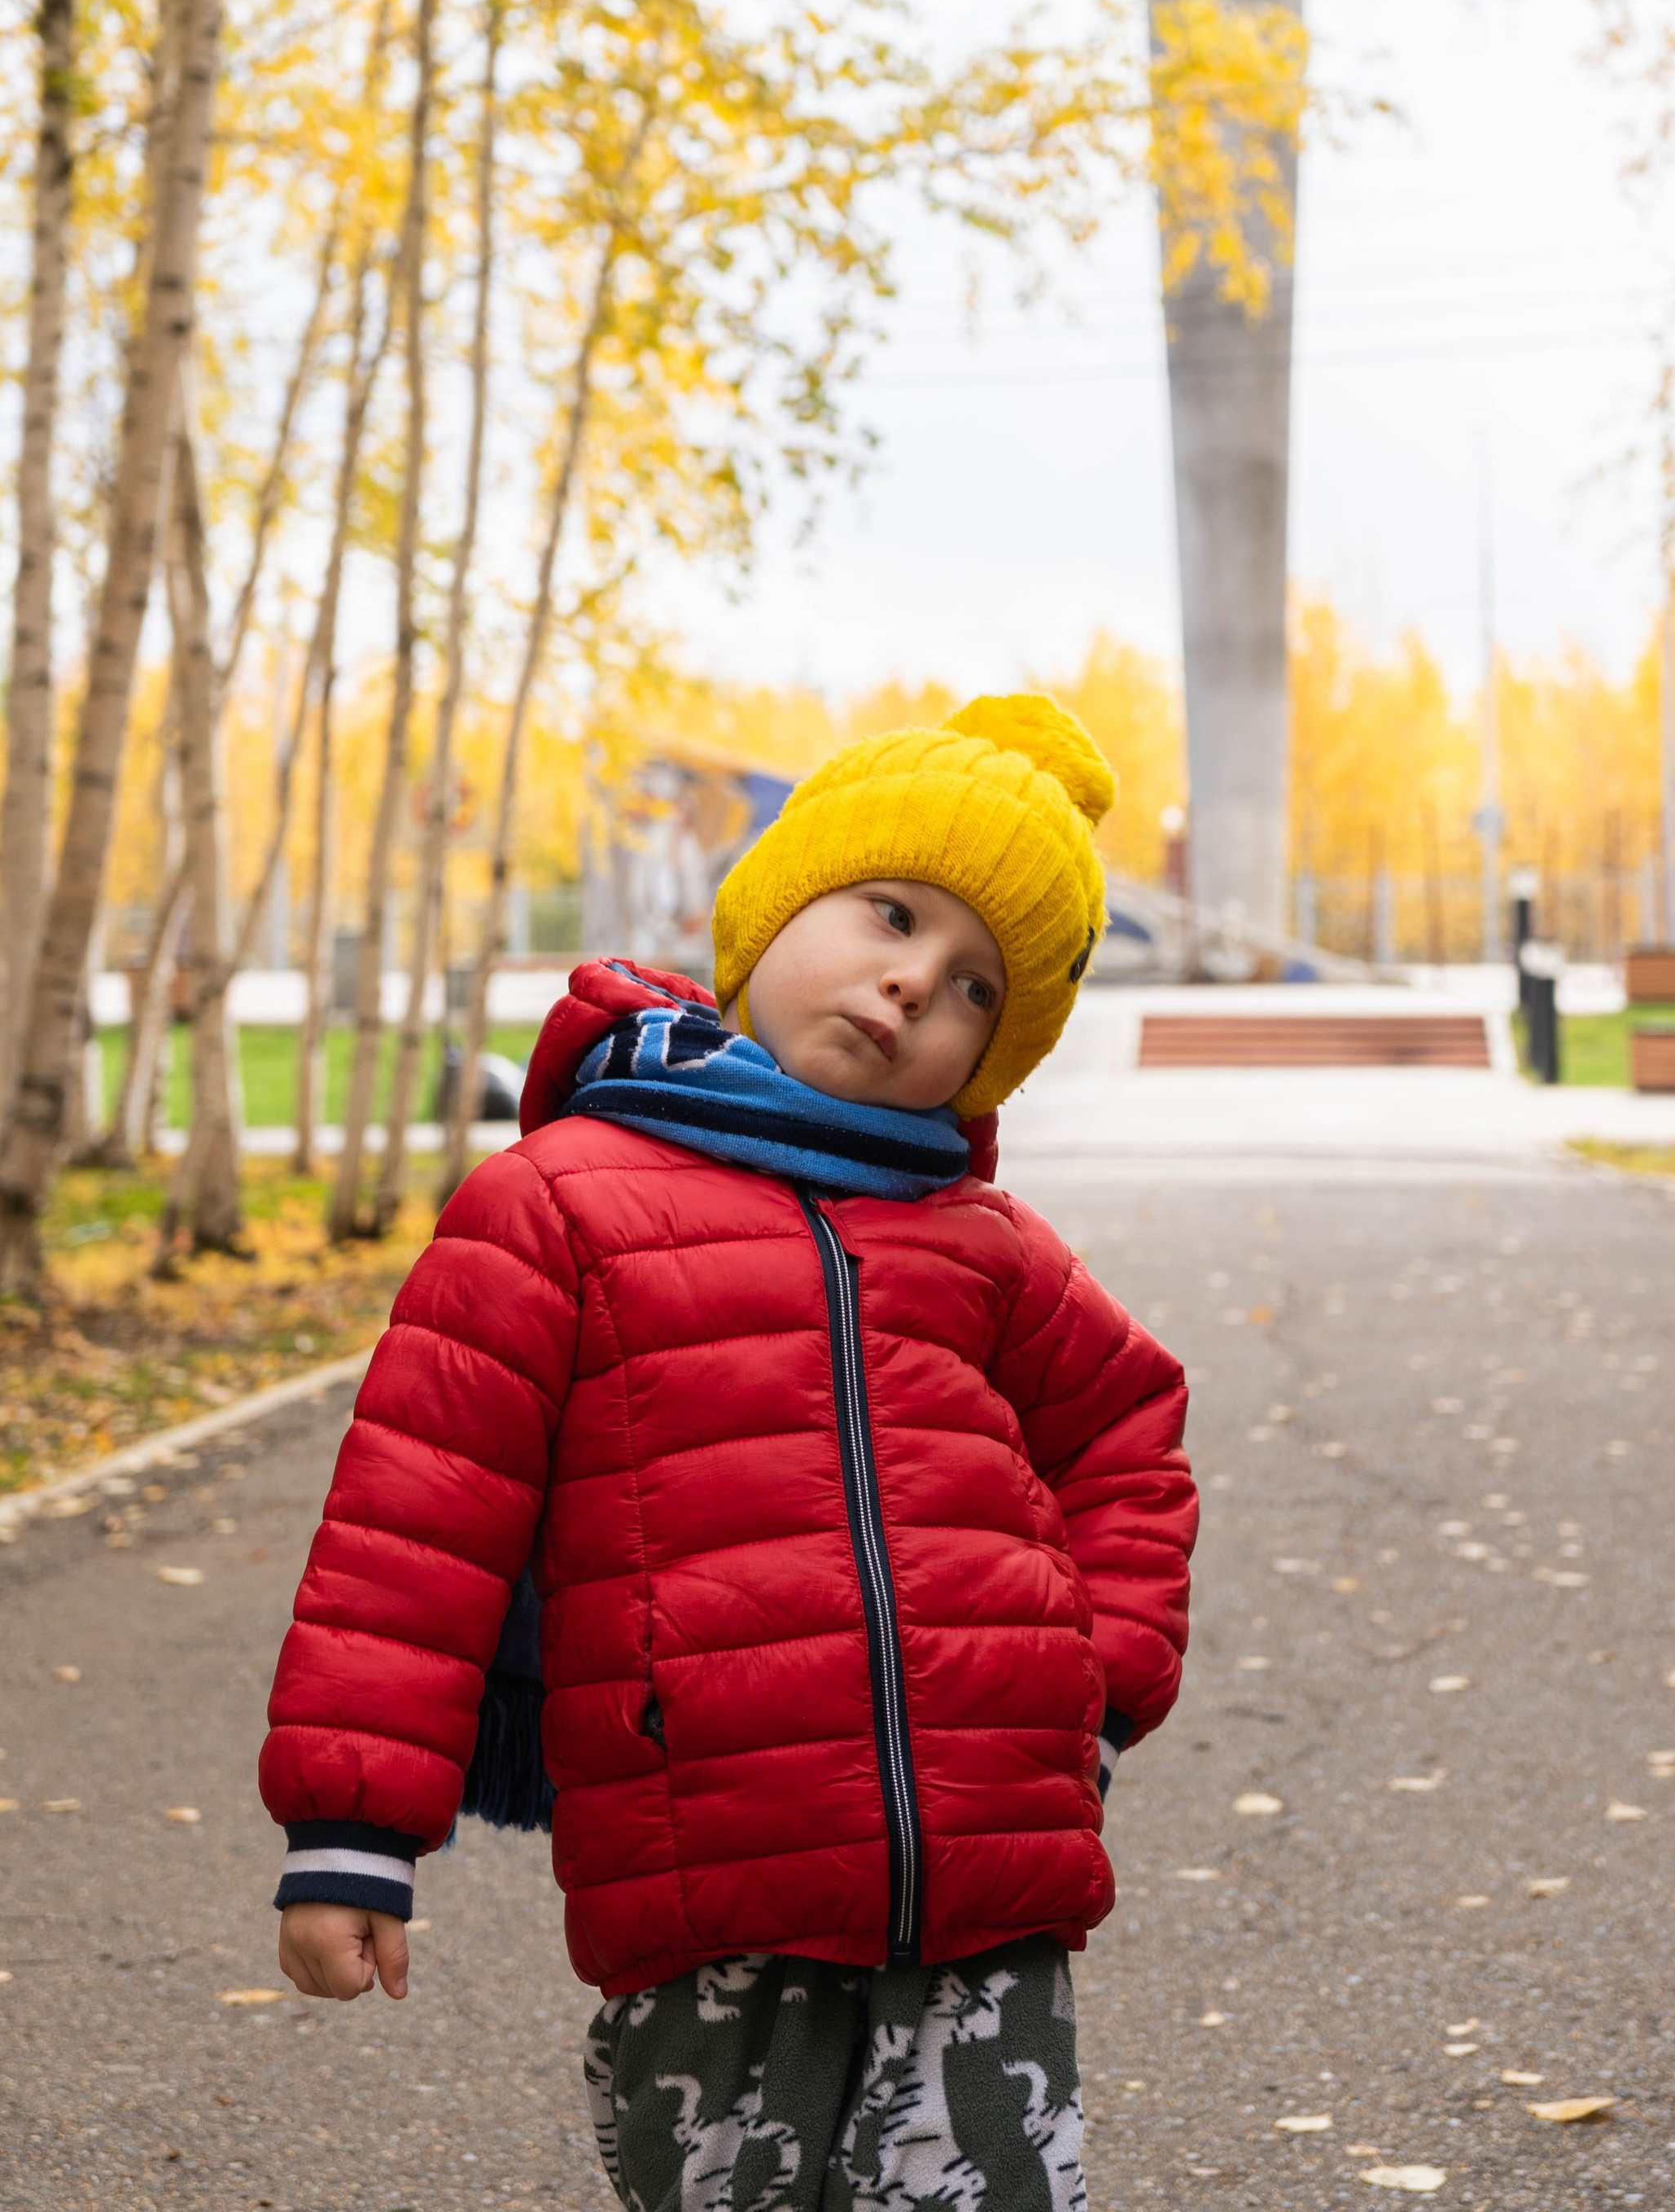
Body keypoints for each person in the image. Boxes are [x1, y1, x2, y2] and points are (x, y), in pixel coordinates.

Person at [260, 694, 1197, 2212]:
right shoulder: (563, 1202)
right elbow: (418, 1520)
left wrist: (1098, 1684)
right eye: (890, 913)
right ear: (770, 913)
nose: (914, 982)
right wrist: (350, 1834)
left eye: (973, 986)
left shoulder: (985, 1247)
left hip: (985, 1896)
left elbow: (1128, 1436)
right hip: (710, 1878)